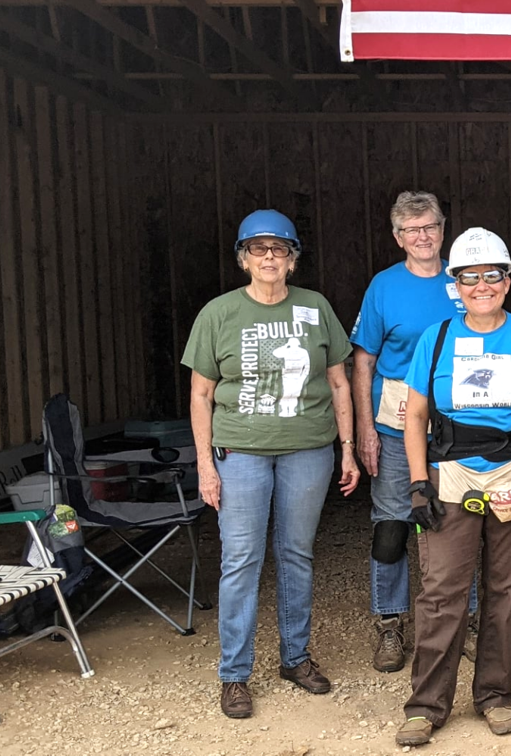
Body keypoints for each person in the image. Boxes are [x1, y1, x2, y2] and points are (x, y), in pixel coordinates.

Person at [395, 228, 511, 747]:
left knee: (508, 590)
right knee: (442, 591)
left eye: (491, 275)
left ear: (506, 278)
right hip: (451, 474)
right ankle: (426, 705)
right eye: (469, 277)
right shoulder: (438, 338)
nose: (481, 286)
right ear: (457, 284)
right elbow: (416, 416)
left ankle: (495, 695)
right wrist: (418, 483)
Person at [183, 209, 359, 720]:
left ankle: (295, 657)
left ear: (292, 260)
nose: (268, 257)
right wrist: (204, 465)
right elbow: (200, 394)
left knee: (296, 553)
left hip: (308, 448)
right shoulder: (218, 314)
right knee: (241, 559)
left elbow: (340, 381)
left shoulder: (316, 307)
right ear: (243, 259)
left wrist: (346, 447)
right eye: (258, 249)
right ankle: (234, 675)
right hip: (240, 450)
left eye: (278, 249)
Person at [350, 191, 474, 675]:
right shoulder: (383, 287)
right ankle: (390, 624)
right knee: (393, 525)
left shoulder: (465, 279)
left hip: (457, 420)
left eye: (430, 227)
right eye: (412, 230)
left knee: (459, 517)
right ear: (398, 237)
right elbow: (364, 360)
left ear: (444, 230)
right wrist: (365, 429)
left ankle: (462, 618)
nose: (423, 237)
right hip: (397, 422)